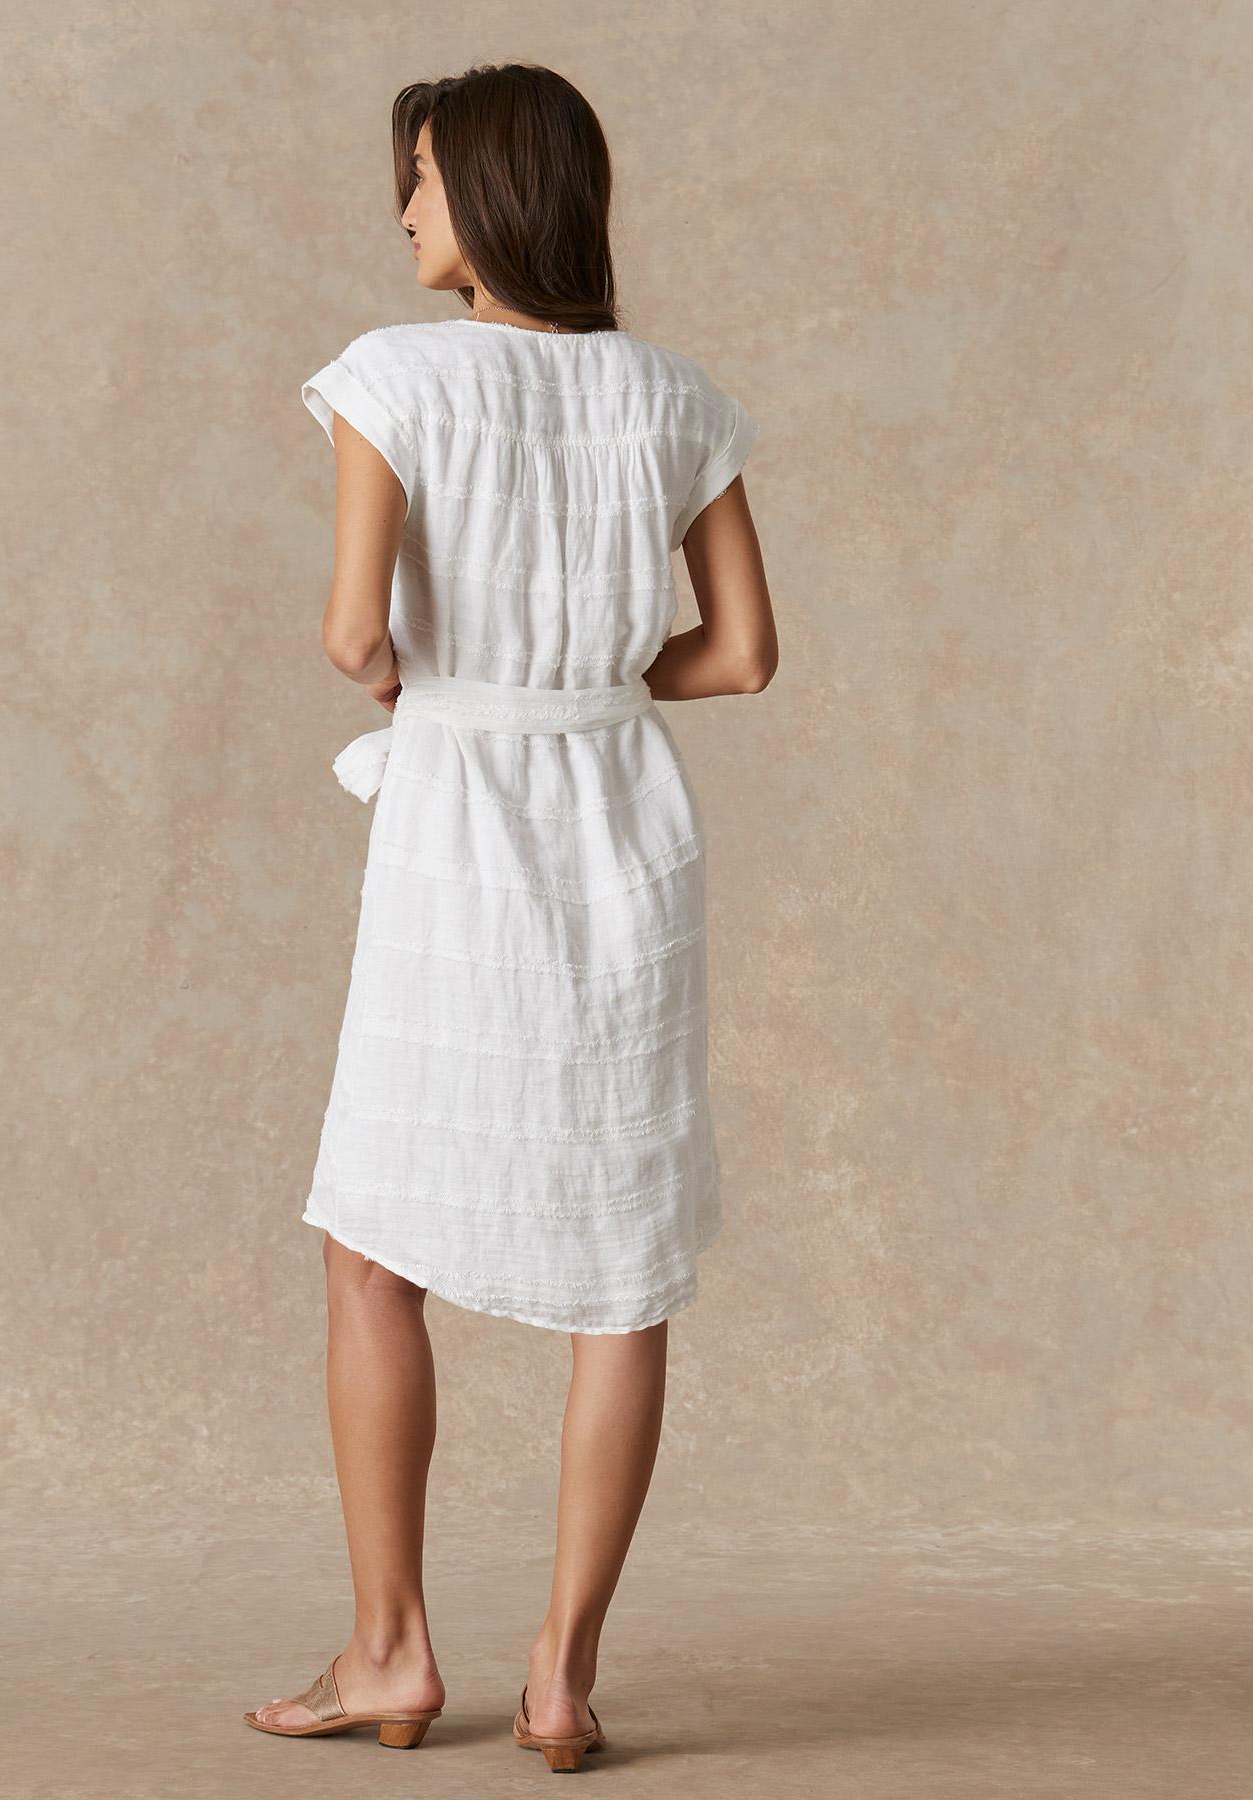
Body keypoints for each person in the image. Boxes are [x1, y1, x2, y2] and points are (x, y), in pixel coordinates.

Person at [245, 62, 776, 1771]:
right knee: (626, 1270)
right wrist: (591, 682)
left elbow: (352, 635)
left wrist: (441, 683)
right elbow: (743, 654)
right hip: (626, 824)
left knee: (372, 1243)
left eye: (419, 177)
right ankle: (561, 1676)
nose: (404, 209)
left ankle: (391, 1651)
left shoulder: (396, 376)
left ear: (483, 192)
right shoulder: (677, 396)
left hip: (461, 828)